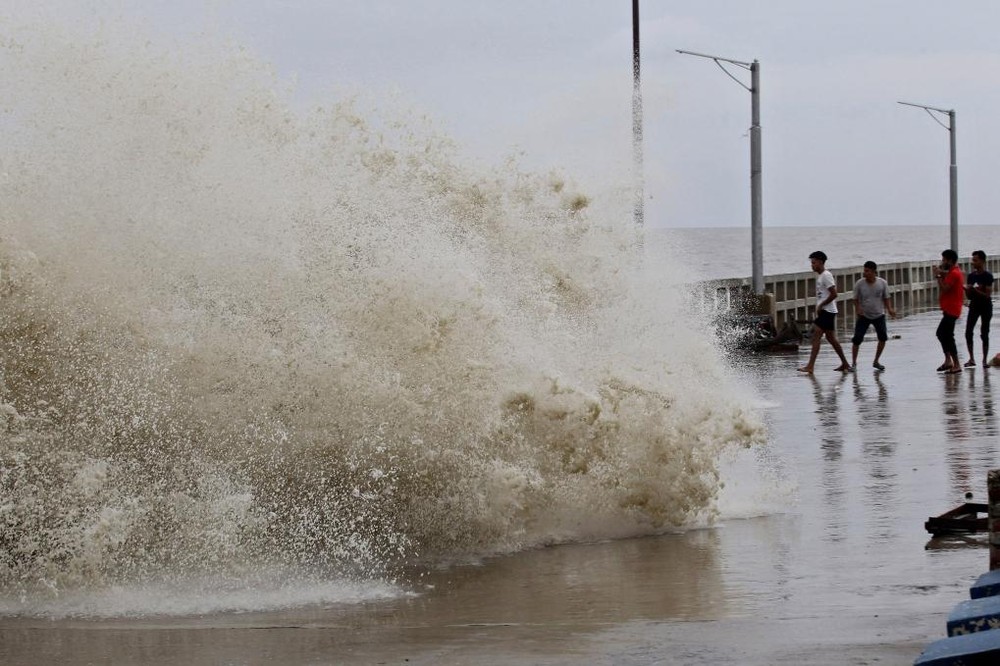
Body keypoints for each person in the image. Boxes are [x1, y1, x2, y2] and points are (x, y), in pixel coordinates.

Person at [798, 251, 852, 374]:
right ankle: (845, 363)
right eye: (811, 263)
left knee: (816, 336)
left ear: (821, 262)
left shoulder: (826, 275)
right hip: (826, 312)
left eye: (814, 262)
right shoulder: (821, 276)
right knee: (831, 338)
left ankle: (810, 366)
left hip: (827, 311)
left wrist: (821, 305)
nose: (812, 265)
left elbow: (834, 294)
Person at [850, 261, 897, 371]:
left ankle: (876, 361)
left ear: (874, 272)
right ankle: (854, 363)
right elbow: (855, 299)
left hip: (879, 315)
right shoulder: (859, 283)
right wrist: (858, 308)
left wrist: (890, 309)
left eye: (867, 271)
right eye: (864, 270)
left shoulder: (882, 283)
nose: (865, 273)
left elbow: (886, 298)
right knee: (857, 339)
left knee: (883, 338)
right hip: (864, 316)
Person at [934, 249, 964, 374]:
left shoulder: (954, 273)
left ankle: (956, 363)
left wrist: (938, 276)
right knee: (941, 333)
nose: (943, 262)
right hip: (949, 308)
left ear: (950, 260)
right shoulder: (953, 271)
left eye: (944, 260)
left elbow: (945, 288)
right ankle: (948, 360)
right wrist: (942, 272)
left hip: (952, 309)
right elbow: (947, 273)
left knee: (947, 335)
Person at [963, 250, 994, 369]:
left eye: (975, 260)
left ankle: (984, 360)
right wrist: (967, 291)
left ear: (982, 261)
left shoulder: (988, 276)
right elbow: (970, 296)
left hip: (986, 307)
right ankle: (971, 358)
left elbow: (987, 295)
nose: (973, 262)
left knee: (984, 332)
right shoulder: (971, 276)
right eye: (973, 260)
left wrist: (975, 290)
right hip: (974, 306)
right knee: (968, 331)